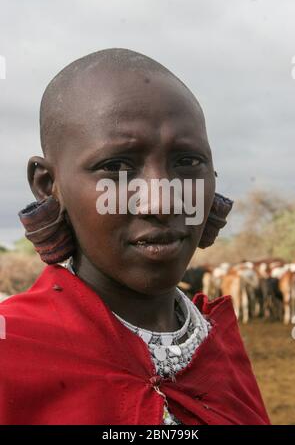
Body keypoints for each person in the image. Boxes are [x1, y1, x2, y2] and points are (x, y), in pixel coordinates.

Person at [0, 49, 270, 425]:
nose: (162, 201)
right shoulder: (11, 353)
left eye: (188, 162)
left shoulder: (220, 347)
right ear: (48, 185)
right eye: (115, 167)